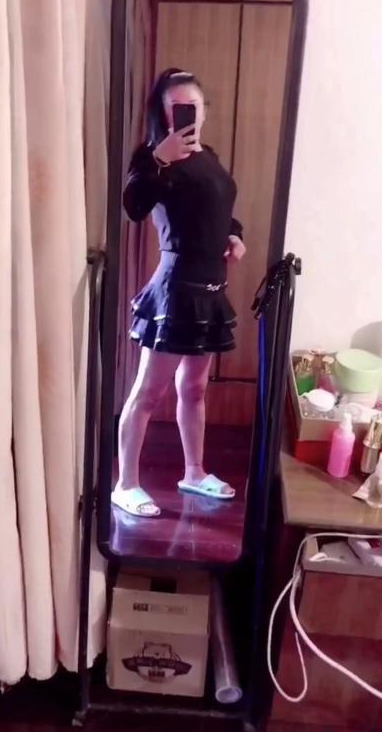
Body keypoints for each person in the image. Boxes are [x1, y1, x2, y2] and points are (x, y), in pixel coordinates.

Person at [112, 68, 246, 517]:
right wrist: (159, 159)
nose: (187, 114)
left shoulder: (209, 156)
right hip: (175, 291)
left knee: (194, 388)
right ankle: (125, 485)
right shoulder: (153, 157)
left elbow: (219, 209)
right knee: (148, 392)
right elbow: (134, 206)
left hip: (210, 288)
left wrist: (234, 235)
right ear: (163, 114)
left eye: (193, 105)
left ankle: (194, 472)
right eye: (177, 108)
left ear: (204, 110)